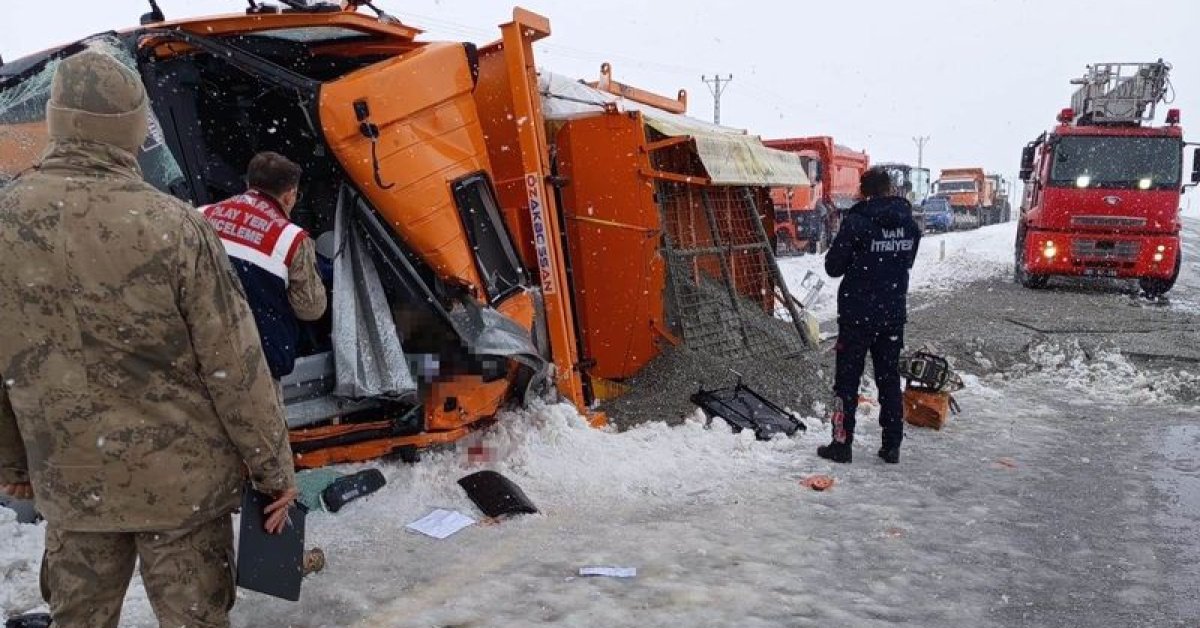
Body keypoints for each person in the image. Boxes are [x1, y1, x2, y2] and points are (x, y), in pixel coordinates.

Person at [0, 50, 297, 628]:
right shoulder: (175, 226)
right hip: (181, 489)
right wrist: (273, 470)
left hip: (71, 481)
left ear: (57, 119)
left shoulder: (5, 224)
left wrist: (12, 460)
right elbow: (236, 368)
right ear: (134, 129)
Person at [818, 167, 921, 464]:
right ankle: (892, 445)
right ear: (890, 189)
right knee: (889, 379)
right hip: (891, 313)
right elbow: (907, 261)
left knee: (846, 382)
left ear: (864, 191)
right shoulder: (909, 224)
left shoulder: (857, 222)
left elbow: (833, 267)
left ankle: (841, 443)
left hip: (857, 315)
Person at [202, 151, 327, 380]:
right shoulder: (293, 239)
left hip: (203, 349)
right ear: (289, 196)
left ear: (249, 183)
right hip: (258, 362)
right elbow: (311, 309)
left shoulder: (202, 214)